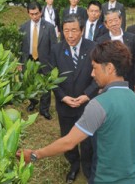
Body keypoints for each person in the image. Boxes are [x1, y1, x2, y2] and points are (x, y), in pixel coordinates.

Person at [17, 40, 135, 184]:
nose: (92, 73)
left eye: (94, 68)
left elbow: (69, 142)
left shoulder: (100, 105)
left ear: (109, 68)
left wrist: (34, 155)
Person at [49, 14, 99, 183]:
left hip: (87, 104)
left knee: (87, 140)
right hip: (65, 106)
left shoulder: (93, 48)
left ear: (82, 30)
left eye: (74, 31)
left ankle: (87, 167)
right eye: (66, 31)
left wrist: (87, 95)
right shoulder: (56, 50)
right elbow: (51, 79)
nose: (70, 35)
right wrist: (63, 98)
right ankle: (74, 164)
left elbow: (98, 76)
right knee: (67, 137)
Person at [19, 2, 57, 120]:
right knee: (29, 83)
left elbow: (54, 46)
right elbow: (20, 46)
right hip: (29, 60)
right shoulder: (23, 27)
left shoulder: (49, 27)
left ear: (41, 12)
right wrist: (19, 62)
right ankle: (33, 101)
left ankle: (44, 109)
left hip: (44, 60)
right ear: (28, 13)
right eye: (31, 14)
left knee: (45, 85)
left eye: (36, 13)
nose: (34, 16)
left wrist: (53, 63)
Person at [97, 9, 135, 94]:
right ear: (106, 24)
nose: (113, 24)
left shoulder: (132, 38)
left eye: (116, 20)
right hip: (109, 82)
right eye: (110, 21)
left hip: (129, 81)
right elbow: (99, 64)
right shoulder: (101, 41)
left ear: (120, 20)